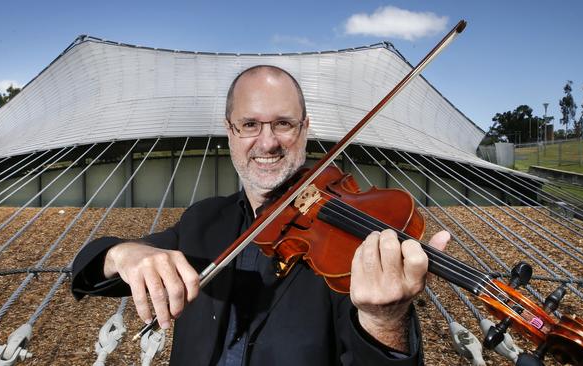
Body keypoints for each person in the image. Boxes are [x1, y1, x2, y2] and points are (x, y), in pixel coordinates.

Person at [71, 65, 450, 365]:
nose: (267, 142)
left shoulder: (351, 249)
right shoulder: (202, 220)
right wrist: (122, 254)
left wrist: (385, 322)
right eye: (250, 124)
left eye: (283, 124)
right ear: (230, 131)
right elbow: (86, 272)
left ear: (304, 129)